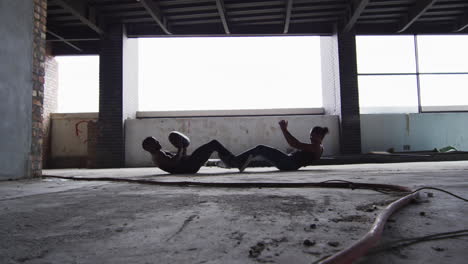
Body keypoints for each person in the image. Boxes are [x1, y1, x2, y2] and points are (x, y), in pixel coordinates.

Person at [232, 120, 329, 171]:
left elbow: (295, 144)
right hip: (289, 163)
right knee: (262, 152)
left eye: (312, 135)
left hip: (288, 163)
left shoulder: (317, 147)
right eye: (310, 135)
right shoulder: (319, 147)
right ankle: (239, 162)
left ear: (319, 135)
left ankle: (235, 161)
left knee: (260, 148)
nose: (310, 137)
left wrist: (284, 129)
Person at [142, 132, 239, 174]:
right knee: (213, 144)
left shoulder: (160, 153)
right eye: (155, 142)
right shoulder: (158, 156)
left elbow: (179, 159)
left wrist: (183, 148)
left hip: (189, 165)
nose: (158, 142)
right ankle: (234, 161)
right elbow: (173, 163)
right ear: (149, 147)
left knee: (213, 145)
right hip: (190, 165)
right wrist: (180, 148)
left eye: (157, 141)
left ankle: (229, 161)